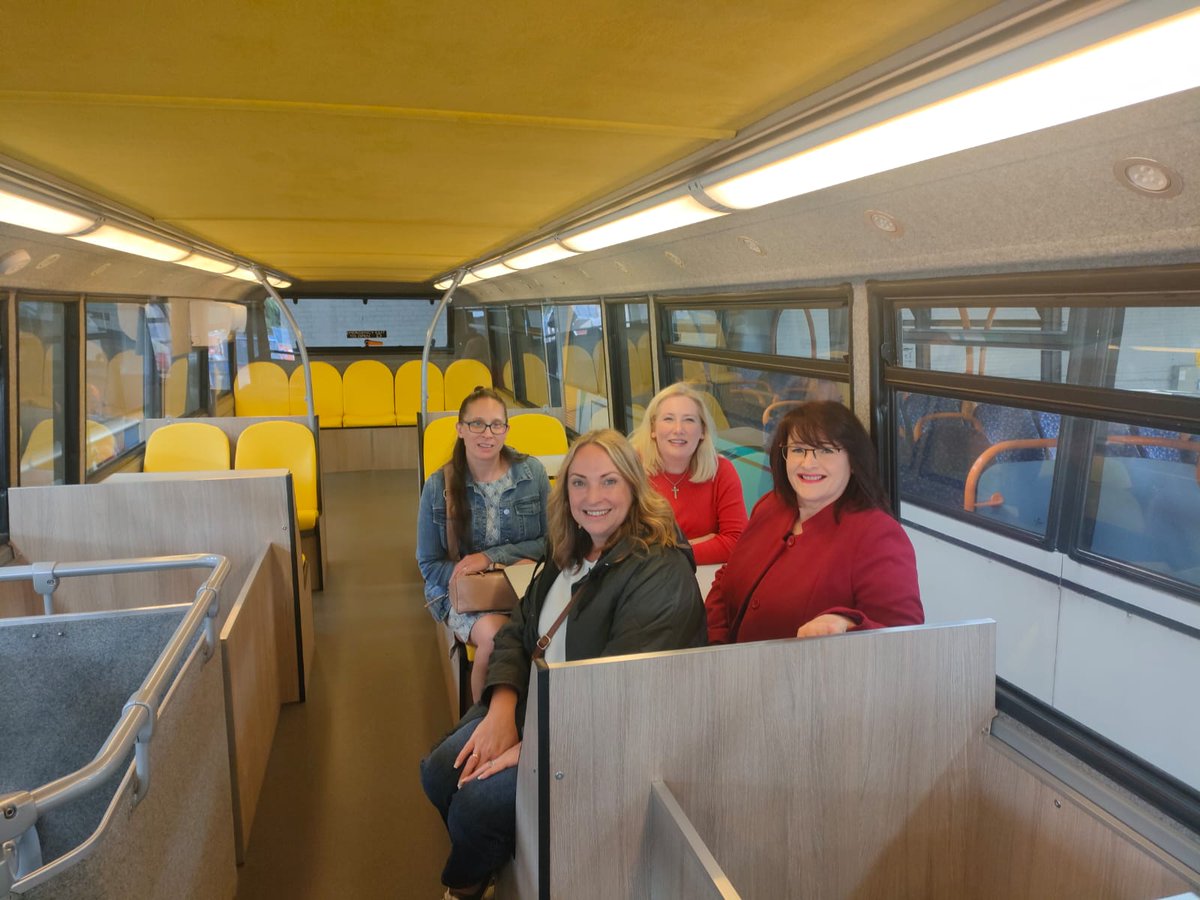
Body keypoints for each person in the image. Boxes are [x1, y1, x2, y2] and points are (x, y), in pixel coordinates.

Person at [419, 429, 705, 899]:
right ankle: (491, 860)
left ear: (633, 487)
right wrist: (501, 711)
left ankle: (466, 885)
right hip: (537, 701)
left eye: (609, 481)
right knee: (438, 772)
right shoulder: (568, 548)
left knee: (474, 806)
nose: (592, 497)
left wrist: (529, 747)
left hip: (604, 734)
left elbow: (618, 693)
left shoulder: (660, 570)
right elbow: (518, 630)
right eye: (579, 482)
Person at [706, 401, 923, 644]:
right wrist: (716, 650)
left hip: (811, 678)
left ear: (853, 461)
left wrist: (847, 625)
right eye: (798, 450)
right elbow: (725, 583)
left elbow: (903, 640)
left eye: (825, 450)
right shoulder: (770, 506)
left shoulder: (878, 536)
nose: (808, 463)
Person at [416, 387, 551, 702]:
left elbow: (552, 541)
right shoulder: (439, 487)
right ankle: (483, 724)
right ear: (460, 429)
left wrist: (491, 558)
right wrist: (471, 574)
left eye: (496, 425)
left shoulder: (532, 474)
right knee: (496, 638)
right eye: (476, 424)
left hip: (524, 586)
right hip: (466, 595)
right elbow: (429, 563)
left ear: (506, 429)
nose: (487, 433)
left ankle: (533, 719)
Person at [630, 382, 747, 565]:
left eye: (689, 420)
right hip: (644, 578)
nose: (678, 429)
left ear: (702, 431)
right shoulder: (631, 467)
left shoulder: (722, 470)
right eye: (668, 419)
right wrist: (693, 546)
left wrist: (665, 550)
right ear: (653, 429)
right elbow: (624, 542)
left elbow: (737, 542)